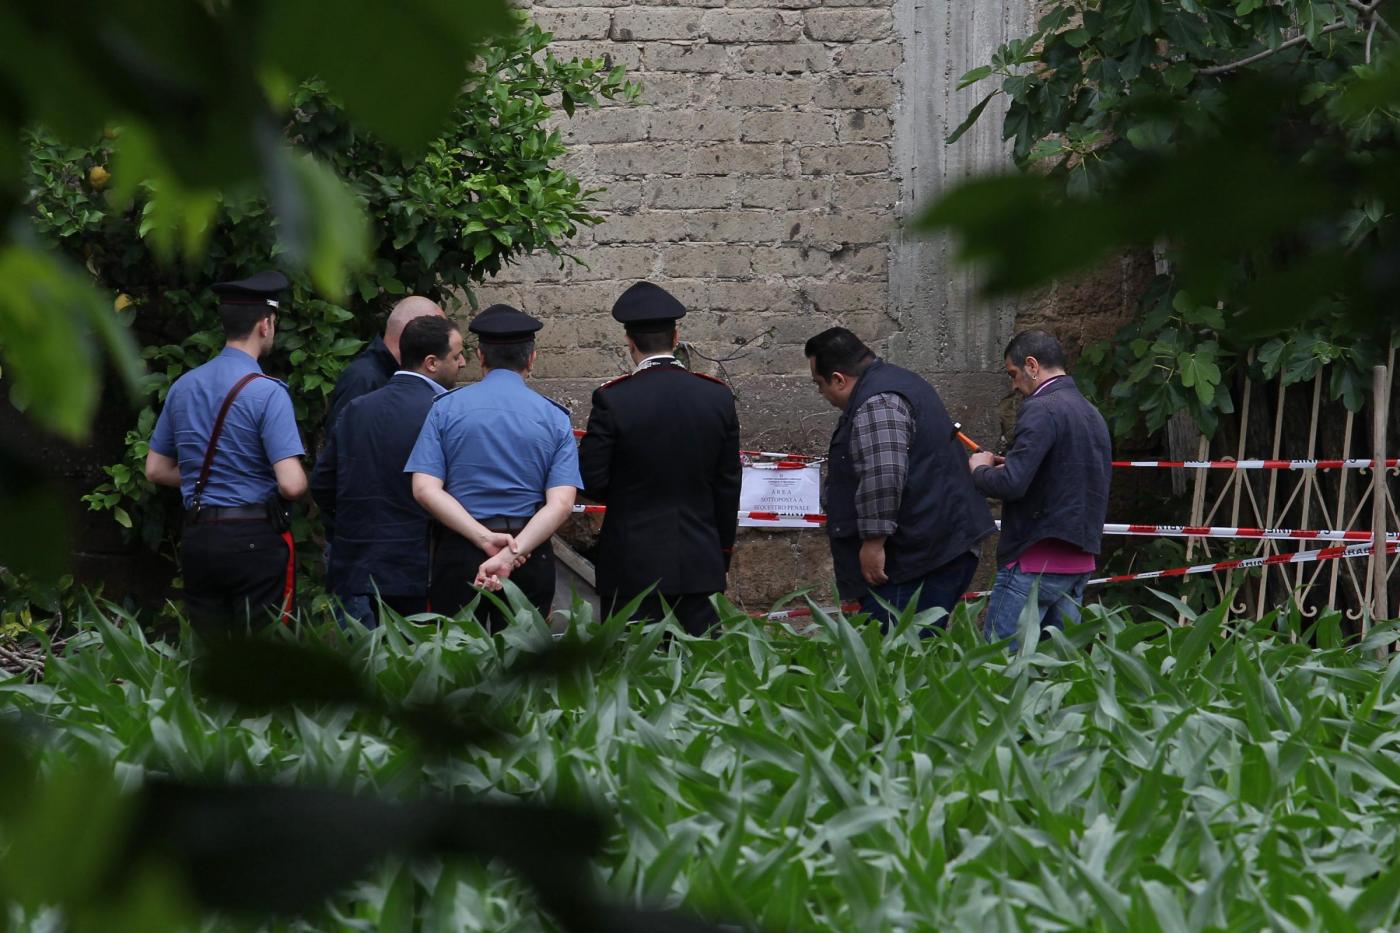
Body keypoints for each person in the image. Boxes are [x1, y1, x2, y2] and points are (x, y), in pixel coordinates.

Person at [144, 271, 308, 635]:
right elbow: (292, 484)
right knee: (265, 650)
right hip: (254, 538)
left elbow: (155, 469)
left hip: (200, 537)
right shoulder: (268, 393)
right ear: (266, 324)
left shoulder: (183, 386)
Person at [805, 327, 996, 632]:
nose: (822, 394)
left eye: (819, 384)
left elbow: (883, 473)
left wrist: (873, 542)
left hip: (919, 560)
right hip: (932, 549)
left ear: (839, 379)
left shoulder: (877, 402)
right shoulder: (898, 383)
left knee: (894, 652)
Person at [578, 282, 742, 636]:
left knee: (634, 664)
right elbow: (728, 486)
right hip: (700, 563)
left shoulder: (613, 399)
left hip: (631, 565)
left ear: (630, 342)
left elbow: (592, 480)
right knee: (702, 665)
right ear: (676, 337)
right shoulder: (716, 397)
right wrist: (722, 554)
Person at [405, 304, 581, 628]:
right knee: (523, 655)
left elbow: (424, 489)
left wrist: (483, 538)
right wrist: (512, 553)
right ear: (532, 358)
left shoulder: (445, 409)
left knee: (458, 652)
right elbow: (561, 503)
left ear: (481, 356)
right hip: (528, 551)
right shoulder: (554, 418)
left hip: (461, 548)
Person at [310, 315, 467, 627]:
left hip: (357, 566)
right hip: (418, 568)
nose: (463, 363)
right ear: (431, 363)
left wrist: (349, 532)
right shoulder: (445, 413)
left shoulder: (357, 409)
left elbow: (322, 483)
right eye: (457, 356)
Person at [968, 330, 1112, 647]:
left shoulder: (1040, 407)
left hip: (1033, 563)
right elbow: (1064, 475)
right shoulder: (1091, 413)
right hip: (1078, 564)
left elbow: (1012, 483)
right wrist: (1015, 463)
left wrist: (979, 469)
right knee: (1058, 667)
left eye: (1013, 374)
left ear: (1032, 365)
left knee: (999, 663)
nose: (1014, 386)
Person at [325, 296, 446, 430]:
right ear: (412, 331)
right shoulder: (363, 378)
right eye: (437, 334)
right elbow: (344, 437)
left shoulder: (396, 373)